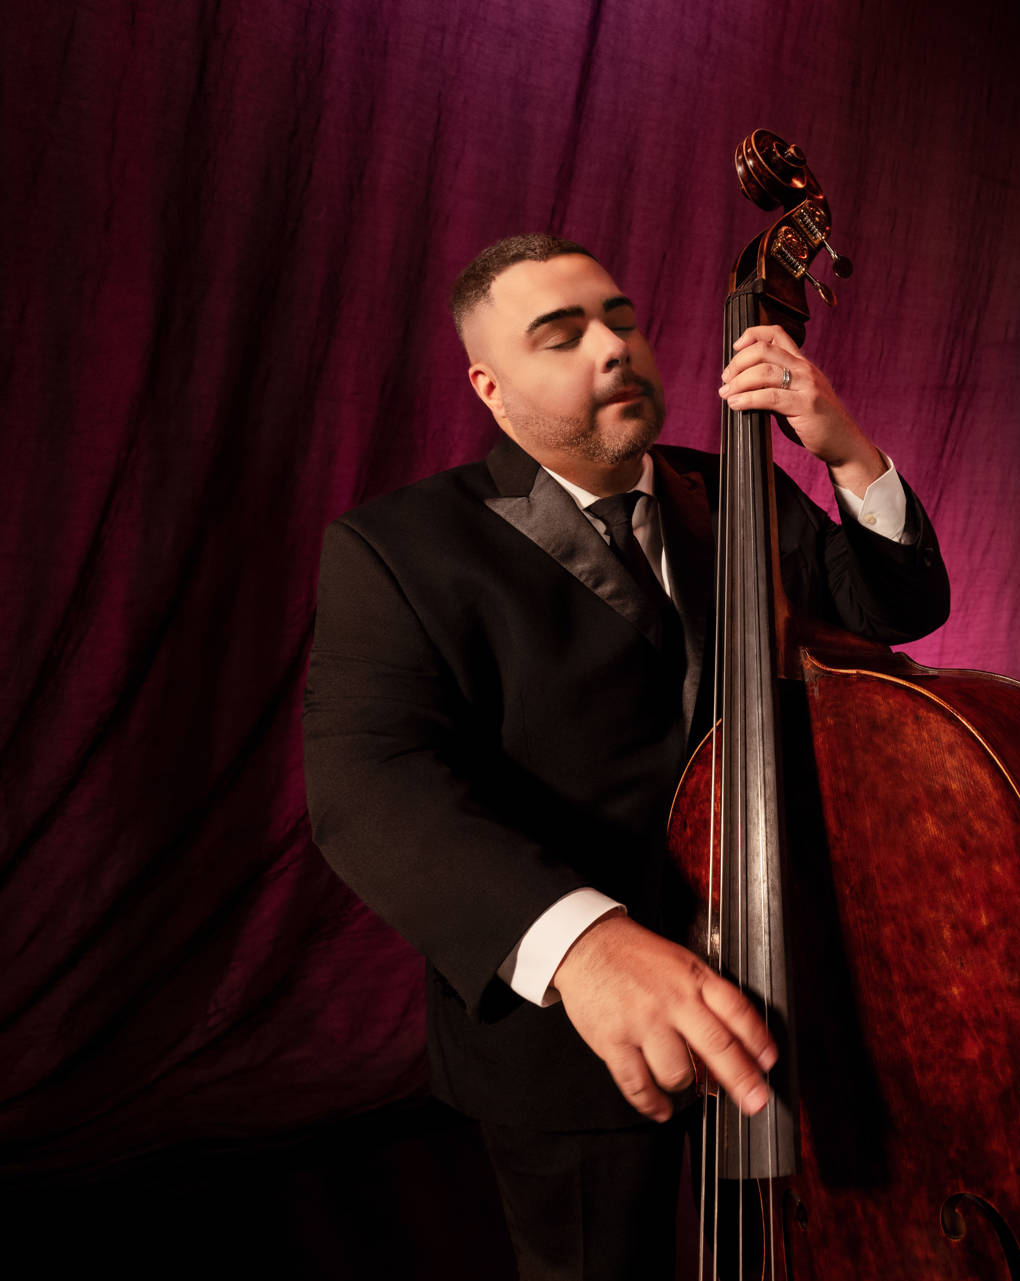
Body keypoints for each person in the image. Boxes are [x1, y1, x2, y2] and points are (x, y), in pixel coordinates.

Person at [303, 233, 949, 1278]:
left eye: (621, 319)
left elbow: (901, 605)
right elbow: (369, 790)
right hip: (571, 1042)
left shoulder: (735, 485)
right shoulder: (399, 548)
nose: (611, 347)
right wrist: (586, 946)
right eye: (561, 336)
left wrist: (846, 452)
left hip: (795, 990)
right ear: (489, 384)